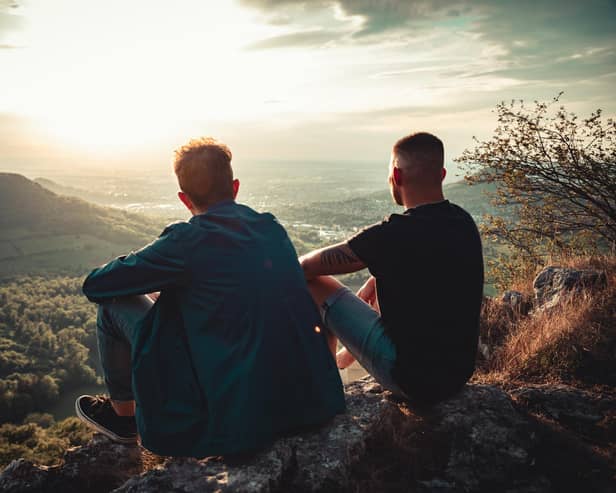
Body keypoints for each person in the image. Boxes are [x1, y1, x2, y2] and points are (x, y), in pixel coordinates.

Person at [76, 137, 345, 457]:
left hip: (238, 417)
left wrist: (154, 273)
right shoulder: (271, 228)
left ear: (183, 198)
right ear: (235, 187)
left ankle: (124, 419)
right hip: (309, 403)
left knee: (113, 306)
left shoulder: (184, 241)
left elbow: (96, 285)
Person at [300, 132, 484, 405]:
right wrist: (375, 279)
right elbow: (428, 271)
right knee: (374, 284)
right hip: (456, 375)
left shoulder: (391, 234)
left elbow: (305, 267)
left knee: (314, 283)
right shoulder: (463, 222)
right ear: (442, 174)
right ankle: (341, 362)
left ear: (396, 176)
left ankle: (322, 388)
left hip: (410, 379)